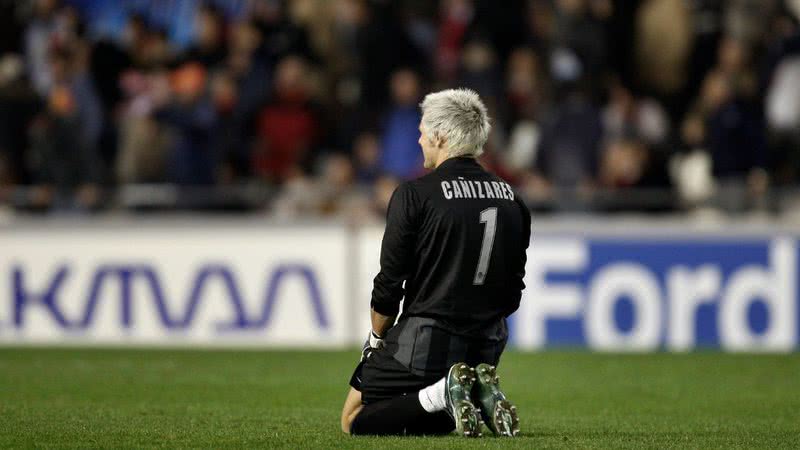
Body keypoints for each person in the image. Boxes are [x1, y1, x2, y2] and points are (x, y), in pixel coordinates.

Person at [340, 89, 531, 437]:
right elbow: (513, 294)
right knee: (426, 407)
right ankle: (472, 391)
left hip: (425, 344)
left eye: (423, 130)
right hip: (486, 345)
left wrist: (376, 340)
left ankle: (446, 392)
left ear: (441, 136)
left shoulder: (414, 194)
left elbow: (388, 286)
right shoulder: (514, 199)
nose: (419, 137)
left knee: (355, 418)